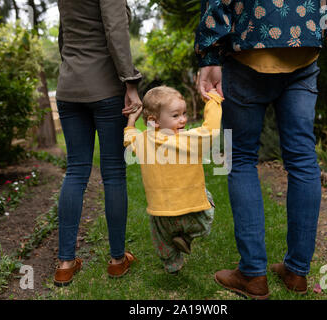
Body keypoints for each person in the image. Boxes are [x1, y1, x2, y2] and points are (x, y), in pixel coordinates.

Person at [194, 0, 327, 299]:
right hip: (303, 52)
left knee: (240, 158)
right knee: (302, 159)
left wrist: (210, 54)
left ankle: (253, 275)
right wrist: (316, 28)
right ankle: (297, 272)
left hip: (248, 47)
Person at [53, 0, 142, 287]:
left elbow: (63, 35)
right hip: (104, 88)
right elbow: (115, 30)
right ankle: (117, 260)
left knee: (76, 170)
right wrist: (130, 81)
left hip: (69, 87)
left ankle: (65, 264)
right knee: (114, 173)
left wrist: (72, 68)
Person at [123, 86, 222, 274]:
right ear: (155, 121)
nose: (183, 119)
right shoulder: (188, 139)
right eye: (176, 116)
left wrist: (131, 119)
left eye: (184, 114)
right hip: (191, 206)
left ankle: (172, 265)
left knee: (162, 239)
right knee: (207, 208)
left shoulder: (144, 140)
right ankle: (188, 236)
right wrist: (213, 101)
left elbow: (129, 137)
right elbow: (212, 130)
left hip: (159, 210)